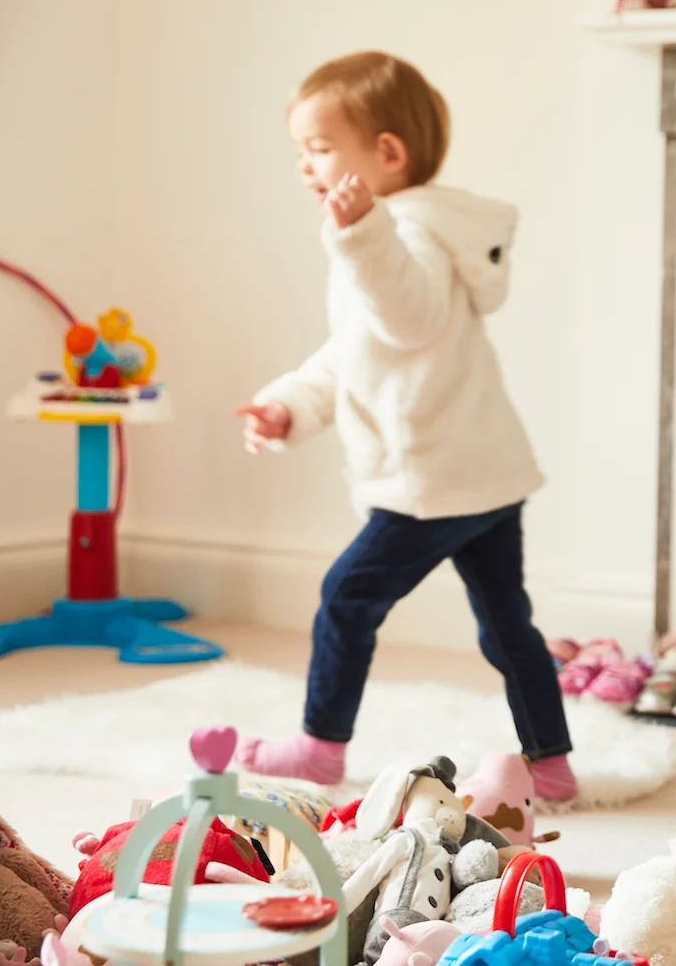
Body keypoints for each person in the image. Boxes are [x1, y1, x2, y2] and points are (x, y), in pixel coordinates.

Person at [231, 51, 575, 800]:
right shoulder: (403, 234)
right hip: (483, 473)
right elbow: (356, 352)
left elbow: (408, 316)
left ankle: (321, 747)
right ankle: (550, 757)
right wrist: (291, 404)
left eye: (319, 149)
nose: (305, 167)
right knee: (506, 622)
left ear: (387, 154)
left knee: (347, 595)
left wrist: (363, 233)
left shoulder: (403, 234)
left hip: (434, 479)